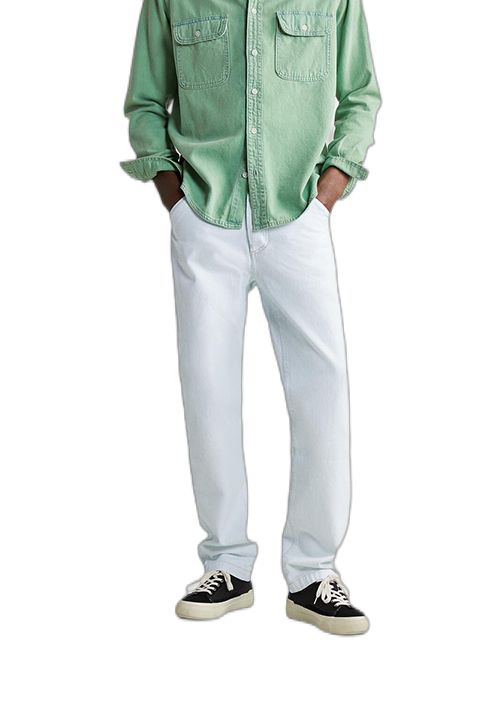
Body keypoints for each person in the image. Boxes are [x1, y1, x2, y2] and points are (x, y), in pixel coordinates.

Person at [120, 0, 381, 635]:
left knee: (323, 388)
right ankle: (227, 564)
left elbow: (361, 95)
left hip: (297, 212)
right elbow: (146, 103)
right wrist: (176, 202)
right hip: (205, 216)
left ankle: (314, 573)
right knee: (208, 387)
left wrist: (327, 194)